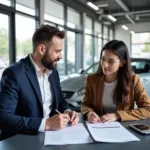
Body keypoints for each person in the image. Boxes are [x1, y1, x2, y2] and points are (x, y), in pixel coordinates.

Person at [0, 25, 79, 140]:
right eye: (57, 51)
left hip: (52, 137)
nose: (61, 56)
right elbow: (4, 118)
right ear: (41, 49)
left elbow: (60, 101)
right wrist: (46, 124)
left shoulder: (53, 72)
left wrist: (68, 111)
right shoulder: (14, 74)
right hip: (21, 140)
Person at [81, 40, 150, 123]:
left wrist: (117, 115)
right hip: (98, 126)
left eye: (111, 61)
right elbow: (85, 105)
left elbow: (147, 109)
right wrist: (89, 113)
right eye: (103, 59)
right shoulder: (91, 80)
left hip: (123, 128)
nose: (105, 65)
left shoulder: (133, 80)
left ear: (122, 63)